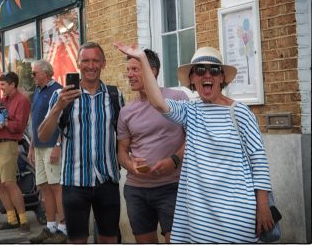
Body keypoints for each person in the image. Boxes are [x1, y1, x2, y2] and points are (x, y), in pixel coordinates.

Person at [115, 43, 275, 243]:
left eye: (214, 70)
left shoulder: (240, 113)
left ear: (222, 78)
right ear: (192, 79)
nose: (207, 75)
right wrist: (142, 59)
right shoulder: (190, 111)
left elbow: (258, 161)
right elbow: (157, 102)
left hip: (238, 216)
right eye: (200, 70)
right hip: (199, 219)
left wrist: (263, 206)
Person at [38, 42, 124, 243]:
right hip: (74, 183)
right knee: (77, 240)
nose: (91, 65)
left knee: (109, 238)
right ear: (78, 63)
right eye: (85, 60)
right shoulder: (61, 97)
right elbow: (43, 135)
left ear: (104, 63)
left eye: (95, 60)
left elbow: (123, 135)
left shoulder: (114, 95)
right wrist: (58, 106)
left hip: (107, 181)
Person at [117, 49, 187, 243]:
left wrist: (174, 160)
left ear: (152, 71)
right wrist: (130, 165)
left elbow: (192, 138)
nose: (129, 75)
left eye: (135, 69)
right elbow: (121, 151)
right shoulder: (126, 111)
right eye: (128, 70)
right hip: (136, 190)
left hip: (173, 186)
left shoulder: (177, 98)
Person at [27, 60, 67, 243]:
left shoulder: (58, 91)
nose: (32, 76)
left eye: (34, 73)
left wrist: (58, 146)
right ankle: (50, 226)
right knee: (44, 186)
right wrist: (31, 146)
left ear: (46, 73)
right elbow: (36, 121)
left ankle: (63, 228)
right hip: (40, 146)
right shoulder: (38, 91)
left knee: (56, 187)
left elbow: (61, 120)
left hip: (52, 145)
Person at [0, 71, 31, 234]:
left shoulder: (22, 100)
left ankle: (24, 222)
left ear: (12, 84)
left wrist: (4, 122)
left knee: (9, 182)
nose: (0, 89)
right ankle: (12, 219)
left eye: (3, 85)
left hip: (8, 143)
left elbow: (20, 126)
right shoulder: (3, 101)